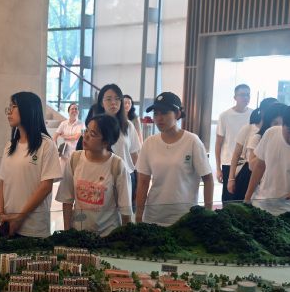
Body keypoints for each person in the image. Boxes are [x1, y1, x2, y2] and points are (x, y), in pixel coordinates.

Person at [135, 92, 214, 226]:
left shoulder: (192, 141)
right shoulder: (149, 143)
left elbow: (208, 179)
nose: (159, 118)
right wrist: (138, 215)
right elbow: (143, 182)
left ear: (177, 114)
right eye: (156, 114)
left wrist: (208, 214)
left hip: (185, 217)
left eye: (164, 113)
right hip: (154, 216)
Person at [0, 92, 62, 238]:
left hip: (33, 228)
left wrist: (20, 218)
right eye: (9, 107)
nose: (9, 112)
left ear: (28, 110)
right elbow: (2, 182)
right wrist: (1, 214)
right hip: (6, 225)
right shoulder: (10, 145)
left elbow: (46, 187)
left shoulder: (46, 144)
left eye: (13, 107)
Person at [56, 114, 131, 236]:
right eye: (86, 131)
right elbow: (67, 199)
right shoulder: (75, 159)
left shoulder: (117, 165)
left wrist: (124, 238)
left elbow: (125, 209)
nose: (85, 136)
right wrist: (67, 232)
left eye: (93, 134)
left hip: (108, 236)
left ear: (105, 143)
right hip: (79, 234)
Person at [226, 98, 280, 201]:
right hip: (248, 173)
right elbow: (236, 154)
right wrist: (231, 178)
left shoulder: (282, 135)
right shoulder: (249, 129)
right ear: (263, 112)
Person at [215, 83, 254, 203]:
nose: (246, 98)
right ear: (235, 97)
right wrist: (218, 168)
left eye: (248, 95)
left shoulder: (253, 115)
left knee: (243, 197)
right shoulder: (225, 116)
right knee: (228, 197)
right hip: (228, 162)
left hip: (246, 162)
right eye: (242, 95)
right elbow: (218, 143)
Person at [96, 84, 140, 181]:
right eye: (108, 99)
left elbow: (134, 156)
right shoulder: (95, 126)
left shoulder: (128, 125)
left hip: (127, 176)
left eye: (117, 99)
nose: (113, 103)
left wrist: (139, 182)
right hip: (102, 178)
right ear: (101, 103)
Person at [246, 102, 288, 171]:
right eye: (275, 123)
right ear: (268, 123)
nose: (279, 127)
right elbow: (251, 166)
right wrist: (269, 147)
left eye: (284, 124)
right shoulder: (258, 138)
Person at [54, 103, 83, 169]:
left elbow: (77, 137)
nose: (74, 110)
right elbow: (55, 137)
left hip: (76, 151)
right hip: (65, 151)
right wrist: (57, 150)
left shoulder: (81, 123)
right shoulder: (63, 123)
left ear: (78, 112)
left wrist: (65, 136)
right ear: (68, 112)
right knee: (63, 171)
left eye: (76, 109)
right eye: (72, 109)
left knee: (74, 171)